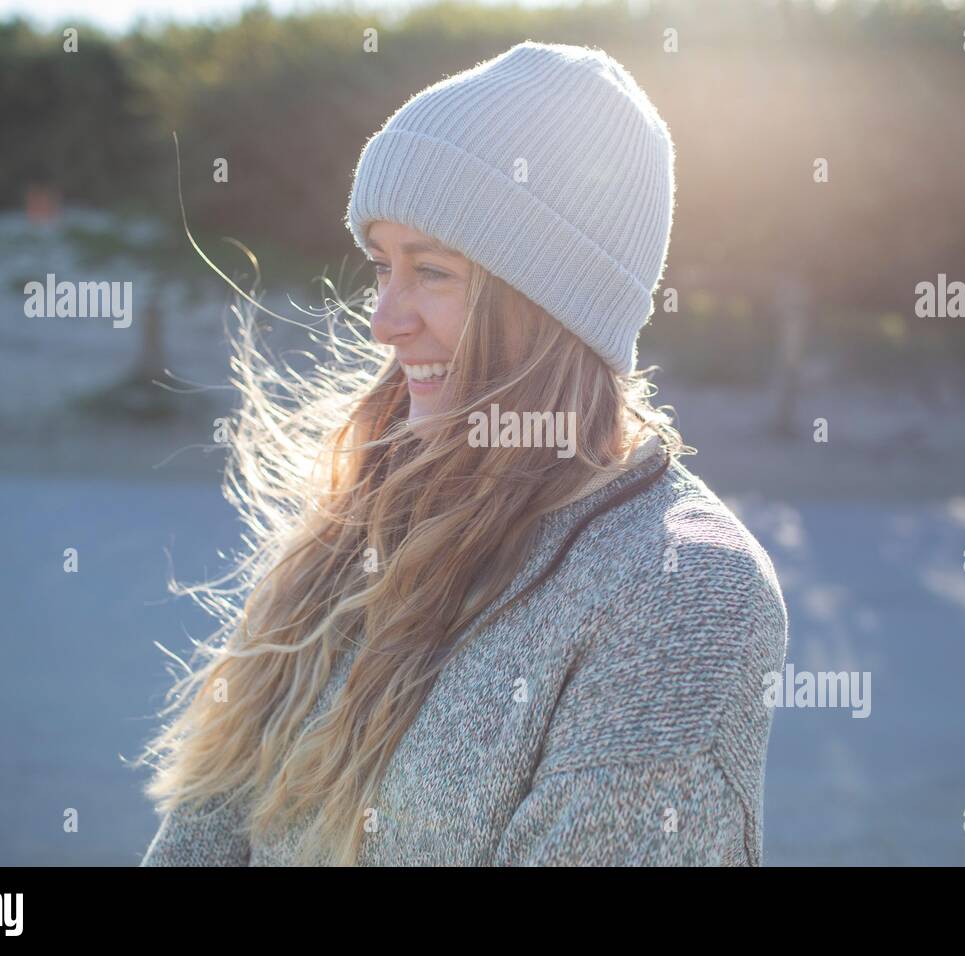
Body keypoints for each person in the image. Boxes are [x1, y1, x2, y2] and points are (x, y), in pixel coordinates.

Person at [138, 40, 787, 866]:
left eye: (433, 272)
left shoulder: (684, 587)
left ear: (553, 305)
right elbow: (202, 837)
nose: (385, 319)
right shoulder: (358, 527)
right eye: (381, 266)